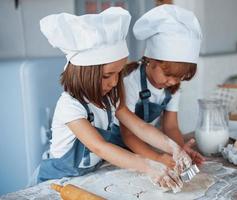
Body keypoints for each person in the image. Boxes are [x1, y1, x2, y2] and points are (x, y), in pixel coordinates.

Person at [37, 7, 192, 192]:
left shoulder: (111, 99)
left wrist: (173, 147)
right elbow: (100, 147)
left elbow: (140, 127)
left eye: (118, 73)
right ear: (84, 73)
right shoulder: (70, 106)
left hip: (86, 179)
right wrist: (149, 166)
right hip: (55, 183)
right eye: (107, 75)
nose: (114, 82)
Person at [114, 5, 205, 169]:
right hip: (119, 149)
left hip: (145, 147)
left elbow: (170, 126)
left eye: (179, 77)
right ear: (150, 60)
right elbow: (128, 135)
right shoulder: (130, 83)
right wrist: (158, 158)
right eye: (168, 74)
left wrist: (180, 151)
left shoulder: (172, 88)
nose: (173, 82)